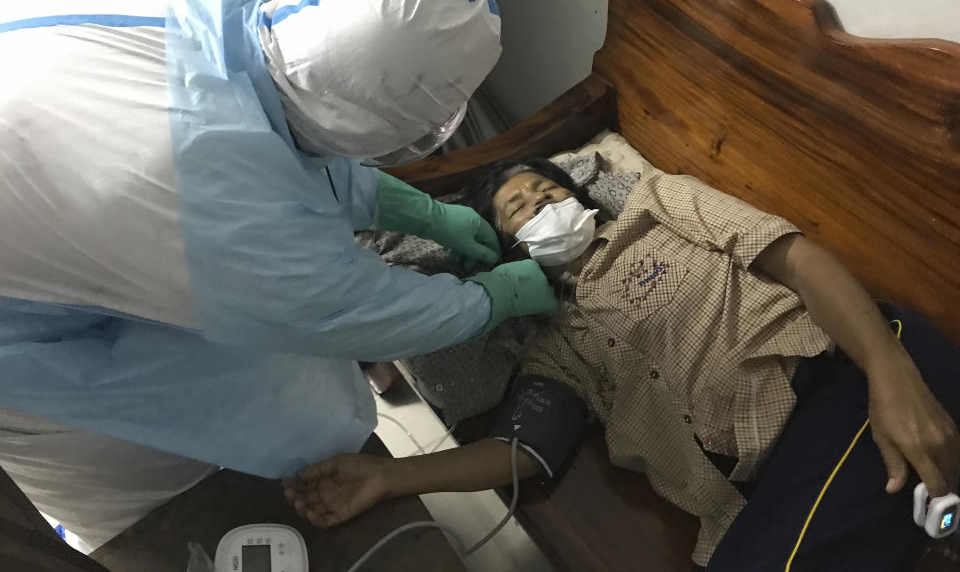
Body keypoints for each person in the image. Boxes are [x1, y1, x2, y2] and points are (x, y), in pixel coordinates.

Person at [0, 0, 556, 549]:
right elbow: (350, 311)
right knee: (148, 481)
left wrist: (419, 211)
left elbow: (277, 119)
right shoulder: (216, 207)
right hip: (27, 331)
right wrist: (491, 299)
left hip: (52, 173)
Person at [283, 157, 960, 570]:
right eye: (519, 208)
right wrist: (389, 477)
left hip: (849, 380)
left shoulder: (655, 207)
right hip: (781, 484)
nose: (541, 203)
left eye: (545, 191)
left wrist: (889, 373)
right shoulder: (558, 347)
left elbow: (796, 257)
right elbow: (523, 451)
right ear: (510, 249)